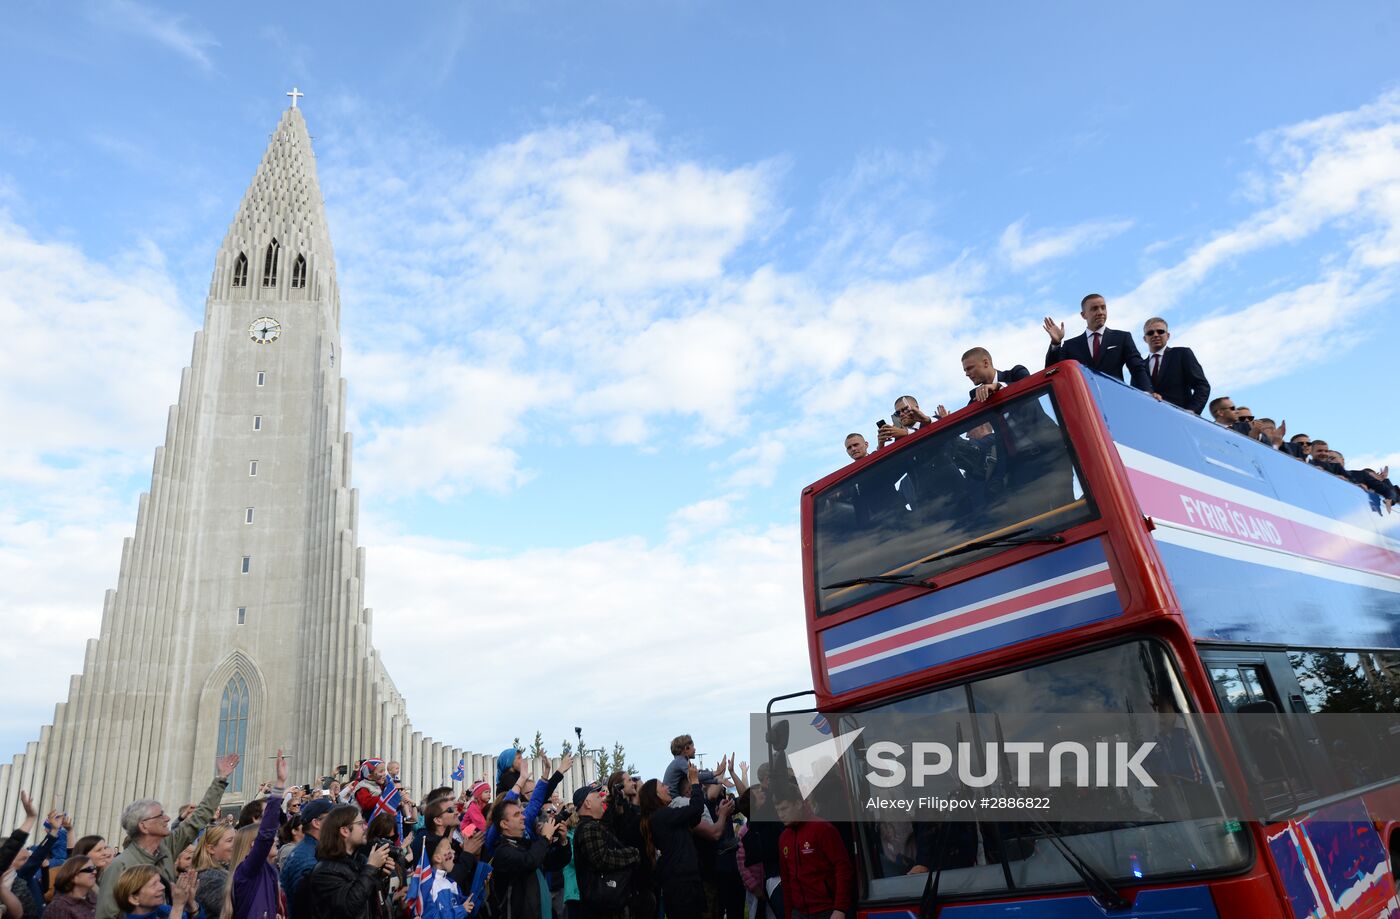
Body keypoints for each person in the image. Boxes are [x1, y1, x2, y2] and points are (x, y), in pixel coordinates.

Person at [96, 755, 239, 919]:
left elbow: (199, 817)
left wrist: (220, 779)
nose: (167, 819)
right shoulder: (119, 866)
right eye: (160, 816)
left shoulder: (167, 846)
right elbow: (106, 915)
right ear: (144, 826)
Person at [772, 783, 854, 919]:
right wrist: (788, 914)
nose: (781, 814)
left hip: (828, 910)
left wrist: (840, 908)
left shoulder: (822, 829)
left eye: (784, 808)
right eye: (778, 810)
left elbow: (843, 868)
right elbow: (786, 880)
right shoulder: (784, 838)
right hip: (799, 913)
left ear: (798, 804)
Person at [1043, 294, 1152, 391]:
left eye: (1103, 308)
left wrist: (1148, 392)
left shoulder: (1122, 337)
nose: (1100, 312)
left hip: (1116, 399)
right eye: (1094, 309)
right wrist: (1056, 343)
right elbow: (1051, 372)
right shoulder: (1070, 345)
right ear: (1083, 315)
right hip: (1085, 402)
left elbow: (1137, 368)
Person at [482, 798, 570, 919]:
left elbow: (554, 863)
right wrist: (544, 838)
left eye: (522, 813)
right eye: (517, 815)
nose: (523, 817)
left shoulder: (527, 844)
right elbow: (530, 861)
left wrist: (563, 842)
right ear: (504, 824)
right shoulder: (503, 852)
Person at [223, 750, 286, 919]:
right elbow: (265, 835)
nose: (275, 837)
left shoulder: (269, 870)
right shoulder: (247, 871)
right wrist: (279, 785)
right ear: (253, 845)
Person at [641, 767, 706, 919]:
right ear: (656, 795)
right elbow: (697, 809)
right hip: (682, 884)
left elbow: (693, 819)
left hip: (682, 881)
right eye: (662, 786)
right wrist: (695, 782)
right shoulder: (662, 815)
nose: (667, 787)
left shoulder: (663, 816)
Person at [303, 806, 390, 919]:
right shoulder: (325, 871)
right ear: (345, 831)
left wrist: (380, 876)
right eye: (360, 823)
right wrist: (371, 868)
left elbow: (373, 902)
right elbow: (348, 908)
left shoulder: (360, 860)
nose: (365, 827)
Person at [572, 782, 638, 919]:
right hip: (601, 907)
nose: (603, 799)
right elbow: (601, 858)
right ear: (588, 804)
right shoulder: (588, 827)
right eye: (598, 797)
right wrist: (633, 854)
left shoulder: (593, 825)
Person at [281, 796, 335, 918]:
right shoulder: (307, 860)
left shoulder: (313, 850)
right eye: (333, 817)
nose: (338, 822)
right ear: (317, 823)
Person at [1140, 317, 1209, 413]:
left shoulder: (1181, 354)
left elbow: (1201, 386)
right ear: (1145, 339)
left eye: (1160, 331)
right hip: (1150, 418)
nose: (1155, 335)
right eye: (1150, 333)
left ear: (1167, 336)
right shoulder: (1140, 366)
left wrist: (1191, 411)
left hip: (1180, 418)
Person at [110, 866, 198, 919]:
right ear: (134, 898)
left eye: (160, 882)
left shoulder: (162, 910)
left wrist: (191, 906)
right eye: (154, 884)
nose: (162, 887)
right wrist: (177, 907)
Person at [419, 837, 472, 919]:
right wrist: (461, 910)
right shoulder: (428, 886)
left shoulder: (451, 883)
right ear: (438, 858)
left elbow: (468, 906)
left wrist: (481, 883)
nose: (453, 851)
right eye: (449, 849)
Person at [190, 826, 233, 919]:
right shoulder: (210, 879)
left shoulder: (223, 871)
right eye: (230, 840)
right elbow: (236, 910)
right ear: (211, 849)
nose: (236, 844)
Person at [961, 347, 1028, 404]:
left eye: (970, 368)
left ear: (986, 363)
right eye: (965, 370)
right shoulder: (975, 398)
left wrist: (997, 386)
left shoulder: (1016, 373)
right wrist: (951, 418)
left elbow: (1026, 385)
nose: (967, 374)